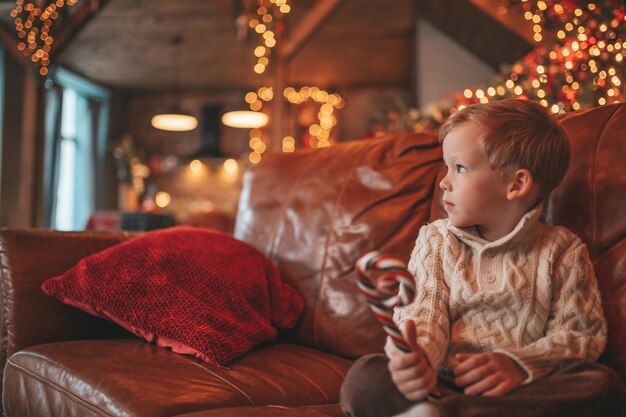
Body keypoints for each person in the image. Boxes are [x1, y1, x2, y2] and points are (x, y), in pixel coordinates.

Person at [340, 98, 625, 417]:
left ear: (516, 184)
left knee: (602, 385)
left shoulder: (563, 250)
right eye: (446, 167)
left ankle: (451, 413)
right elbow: (423, 311)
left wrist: (520, 365)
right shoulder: (436, 239)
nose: (444, 182)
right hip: (441, 380)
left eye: (459, 168)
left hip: (520, 390)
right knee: (366, 375)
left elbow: (580, 335)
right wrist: (417, 358)